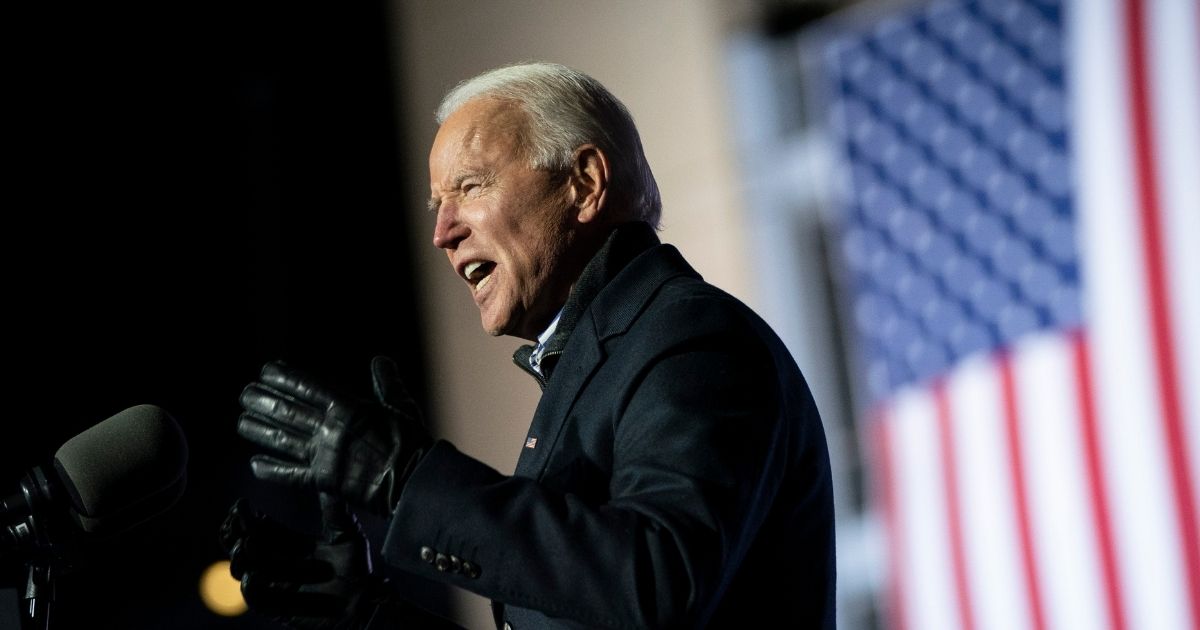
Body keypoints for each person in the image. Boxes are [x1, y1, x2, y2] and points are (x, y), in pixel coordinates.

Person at [223, 62, 836, 629]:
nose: (442, 232)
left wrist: (408, 479)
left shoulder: (691, 340)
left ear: (585, 183)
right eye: (438, 204)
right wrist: (369, 618)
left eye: (470, 186)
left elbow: (658, 581)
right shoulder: (594, 367)